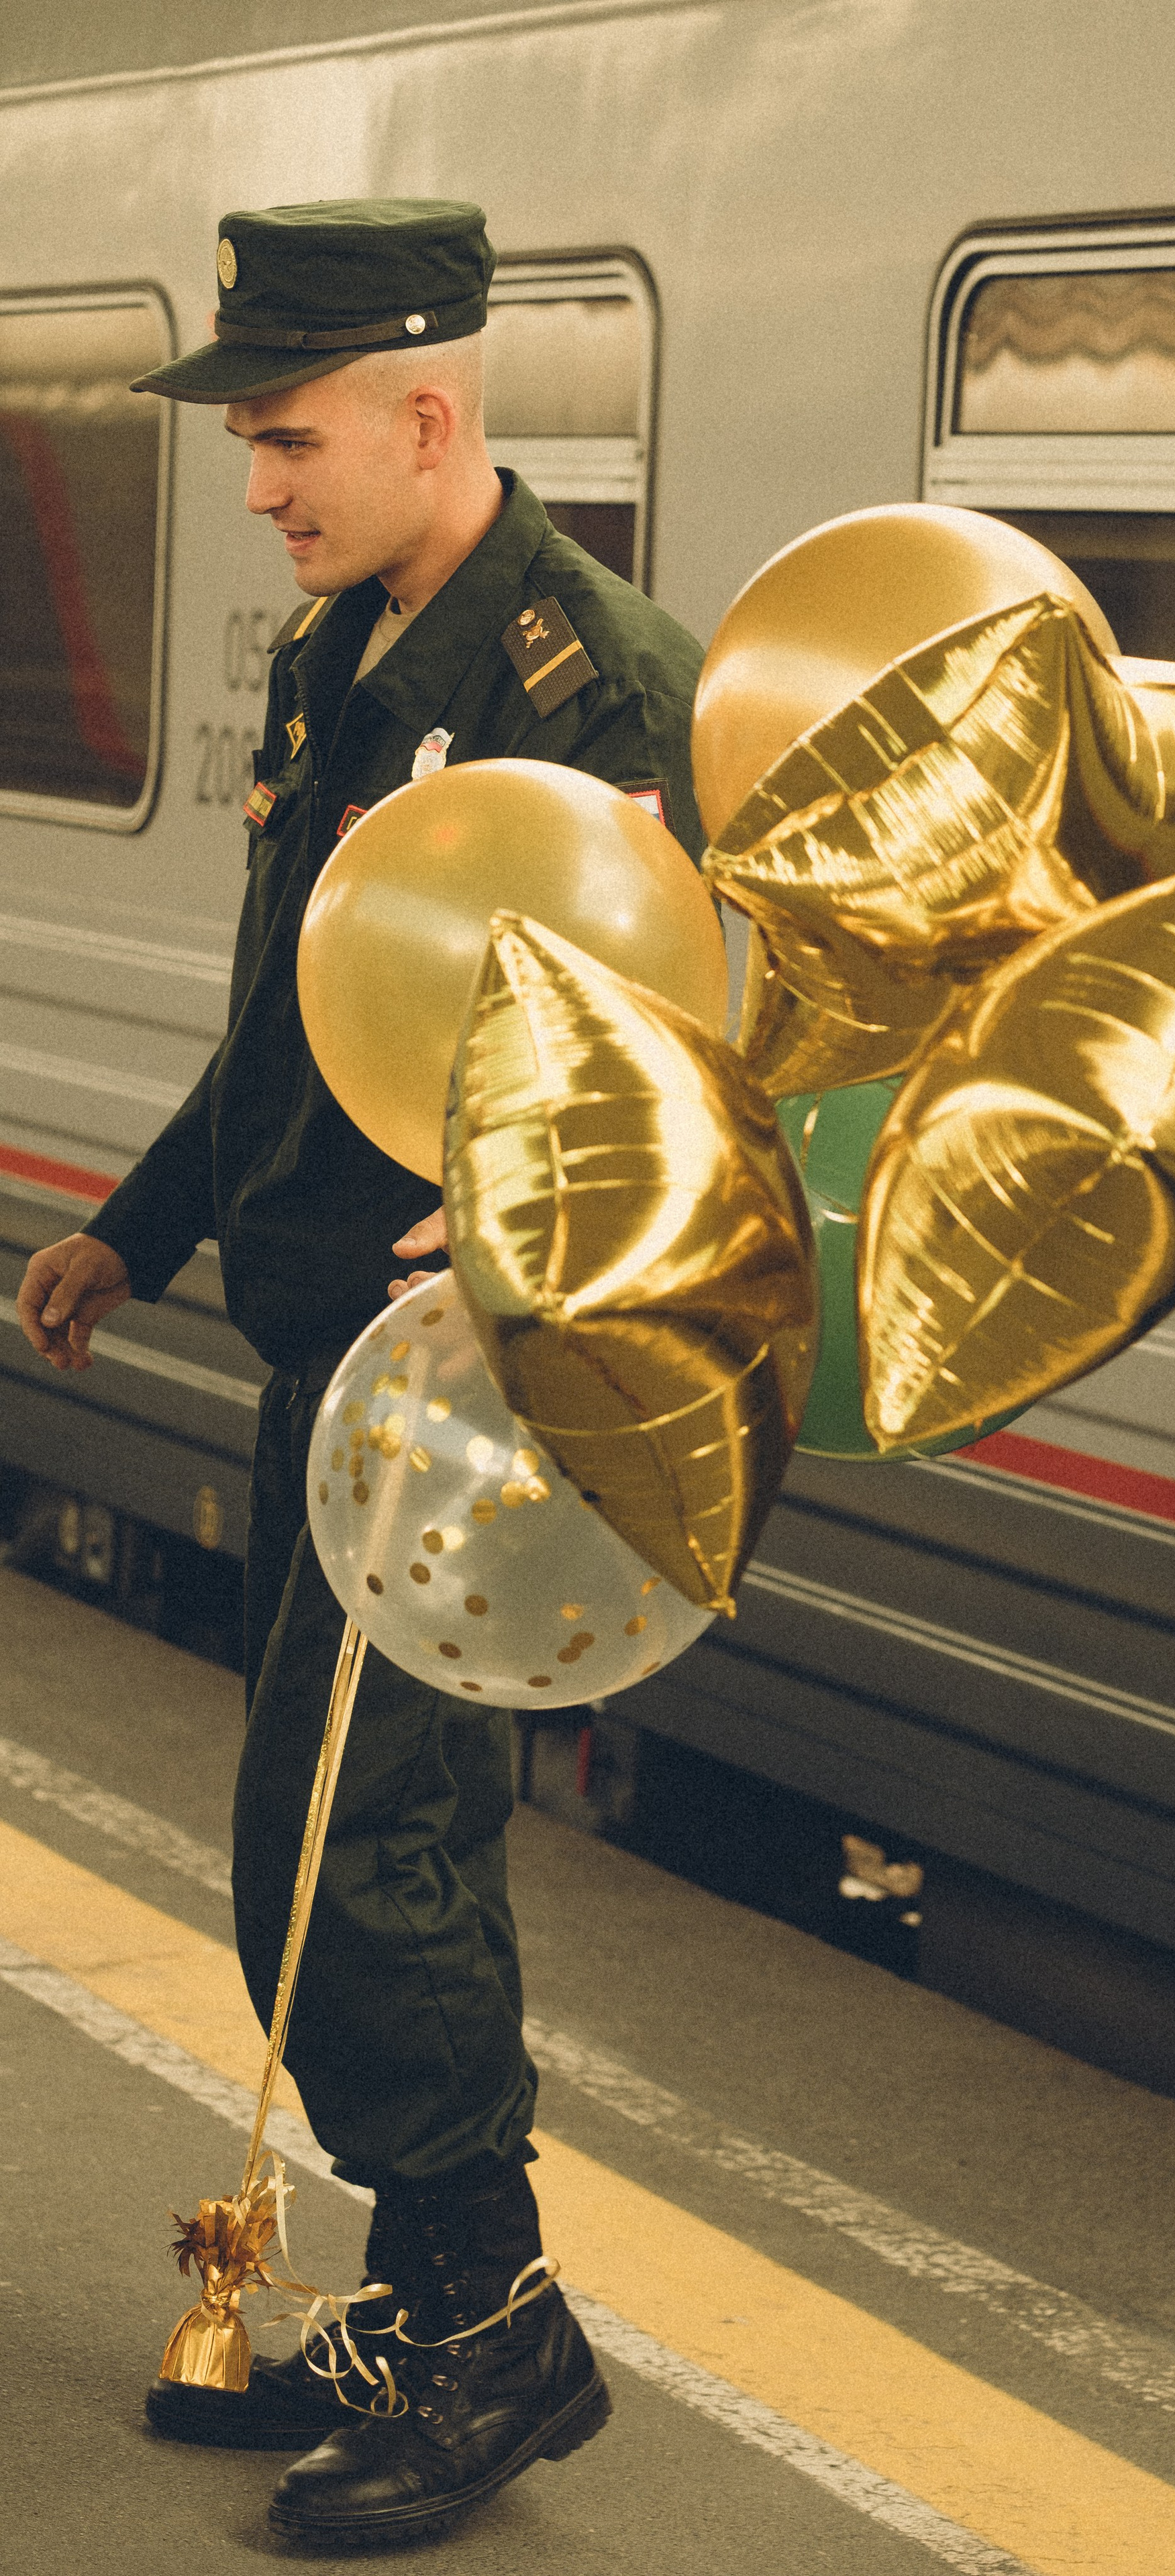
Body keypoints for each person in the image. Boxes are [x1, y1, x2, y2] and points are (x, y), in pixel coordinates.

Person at [16, 197, 707, 2549]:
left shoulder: (596, 690)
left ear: (430, 414)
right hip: (333, 1369)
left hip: (486, 1404)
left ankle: (497, 2328)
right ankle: (431, 2294)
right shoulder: (343, 661)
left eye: (289, 438)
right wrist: (137, 1222)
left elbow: (703, 1067)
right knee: (348, 1851)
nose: (261, 485)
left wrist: (539, 1194)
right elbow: (298, 1034)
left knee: (349, 1850)